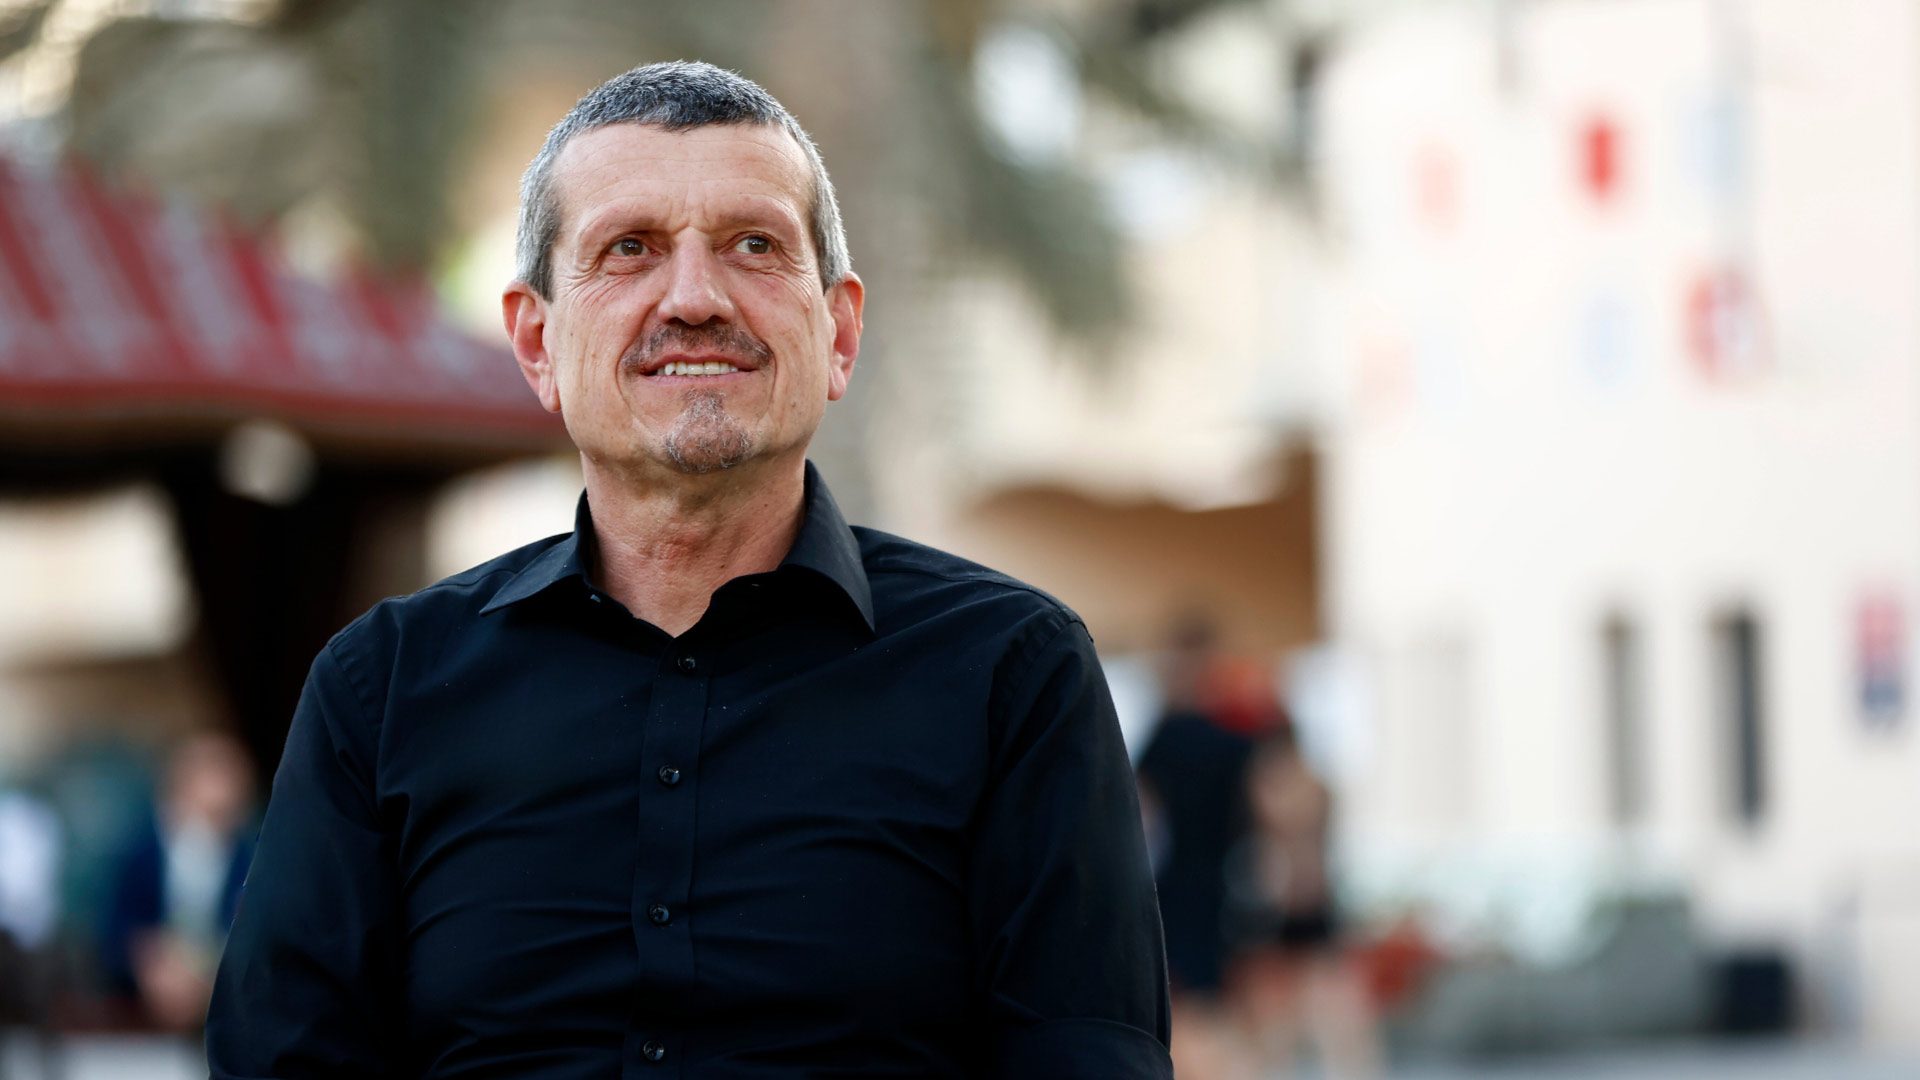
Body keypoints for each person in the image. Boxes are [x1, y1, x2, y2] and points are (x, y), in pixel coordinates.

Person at [206, 61, 1170, 1078]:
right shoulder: (382, 689)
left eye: (754, 246)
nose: (697, 297)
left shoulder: (1012, 676)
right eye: (631, 250)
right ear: (538, 342)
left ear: (838, 332)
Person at [101, 732, 256, 1033]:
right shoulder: (138, 856)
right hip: (140, 1020)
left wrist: (213, 977)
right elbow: (113, 935)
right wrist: (147, 963)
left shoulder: (252, 863)